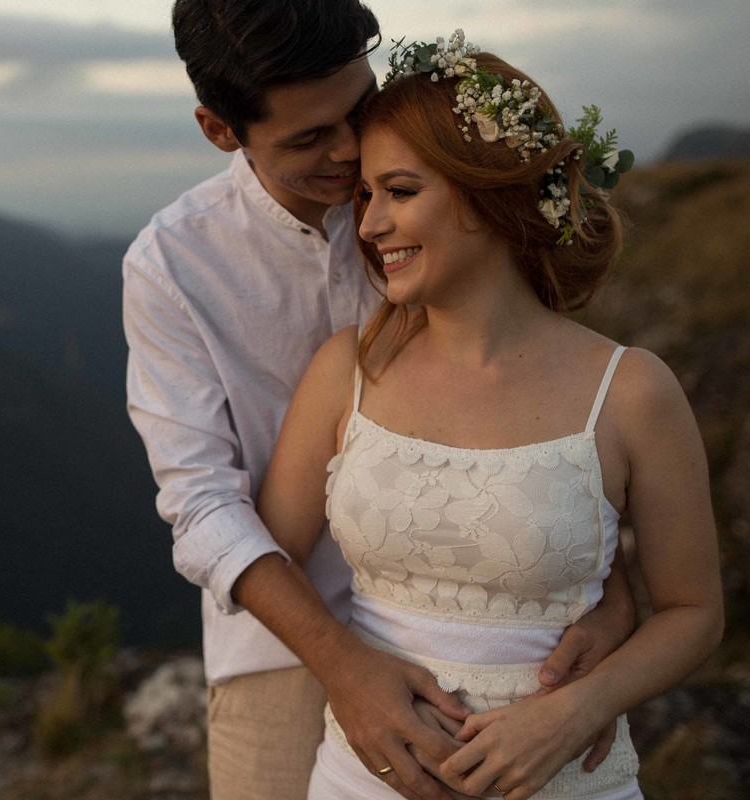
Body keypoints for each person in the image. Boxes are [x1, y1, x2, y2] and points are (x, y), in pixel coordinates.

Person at [123, 3, 638, 799]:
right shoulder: (173, 265)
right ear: (221, 131)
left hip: (511, 638)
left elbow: (557, 422)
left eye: (356, 111)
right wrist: (342, 666)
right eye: (306, 139)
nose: (346, 150)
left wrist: (611, 597)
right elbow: (198, 503)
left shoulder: (439, 207)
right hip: (281, 648)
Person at [257, 32, 725, 799]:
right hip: (363, 780)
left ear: (489, 193)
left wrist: (582, 707)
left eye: (400, 192)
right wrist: (347, 670)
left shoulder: (632, 391)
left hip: (568, 782)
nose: (370, 226)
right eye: (366, 196)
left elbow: (695, 611)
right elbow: (267, 553)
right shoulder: (348, 371)